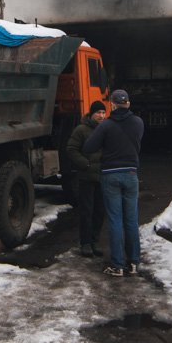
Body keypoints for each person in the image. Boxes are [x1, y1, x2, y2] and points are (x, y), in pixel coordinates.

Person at [83, 88, 144, 277]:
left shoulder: (106, 125)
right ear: (128, 103)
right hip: (131, 173)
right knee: (131, 220)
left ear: (112, 104)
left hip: (110, 175)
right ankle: (133, 262)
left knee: (115, 220)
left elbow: (88, 147)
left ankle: (117, 265)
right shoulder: (138, 123)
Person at [64, 100, 107, 257]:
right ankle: (86, 243)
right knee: (86, 211)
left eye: (103, 112)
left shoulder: (106, 129)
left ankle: (95, 241)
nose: (101, 116)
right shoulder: (81, 130)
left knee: (99, 211)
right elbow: (71, 149)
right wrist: (85, 164)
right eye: (98, 113)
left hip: (102, 177)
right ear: (92, 114)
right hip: (87, 177)